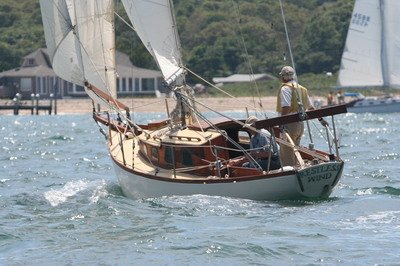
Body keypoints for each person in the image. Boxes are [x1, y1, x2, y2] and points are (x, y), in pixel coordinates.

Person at [276, 66, 328, 166]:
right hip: (300, 125)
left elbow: (286, 107)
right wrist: (320, 119)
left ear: (283, 77)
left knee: (286, 152)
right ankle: (296, 168)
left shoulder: (285, 88)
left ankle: (290, 172)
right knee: (294, 149)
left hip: (289, 124)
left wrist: (280, 123)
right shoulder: (302, 89)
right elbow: (311, 107)